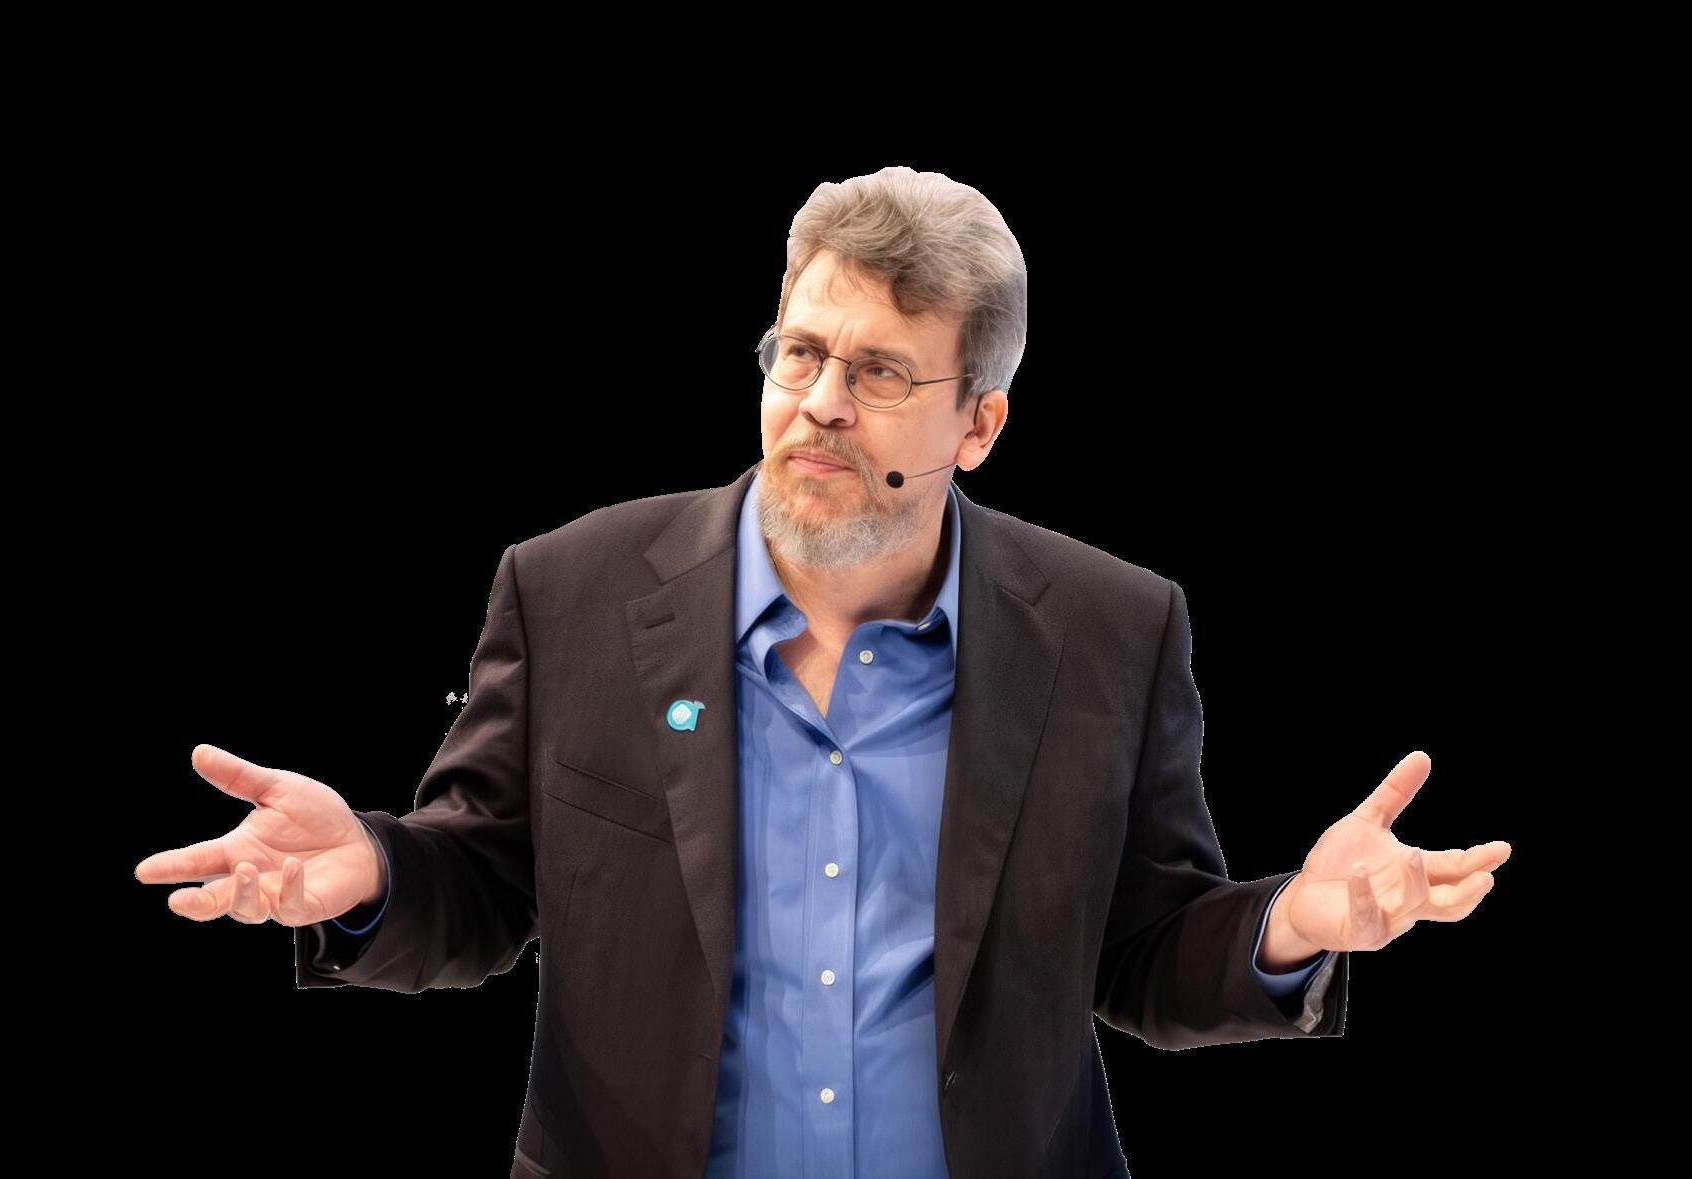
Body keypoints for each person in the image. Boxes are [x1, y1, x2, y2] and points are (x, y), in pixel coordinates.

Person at [134, 166, 1511, 1178]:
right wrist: (374, 872)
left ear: (979, 424)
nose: (822, 406)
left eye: (882, 373)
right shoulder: (570, 592)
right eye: (800, 352)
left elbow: (1145, 951)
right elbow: (485, 883)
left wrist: (1291, 925)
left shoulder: (1113, 628)